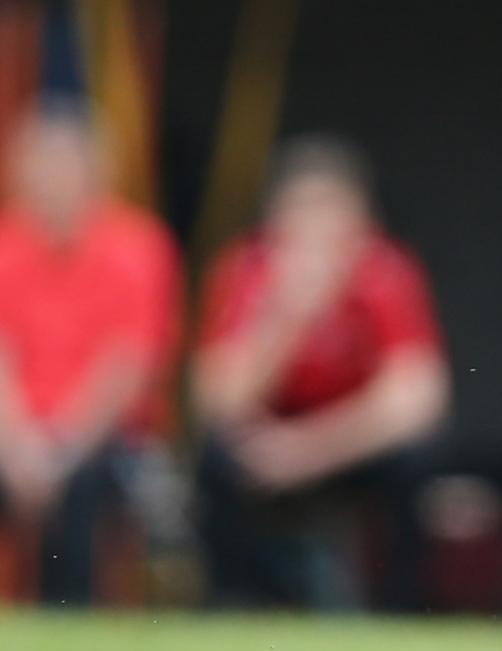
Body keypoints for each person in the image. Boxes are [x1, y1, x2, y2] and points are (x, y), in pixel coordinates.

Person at [194, 137, 449, 612]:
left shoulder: (386, 272)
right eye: (301, 213)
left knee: (415, 463)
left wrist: (308, 451)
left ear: (361, 219)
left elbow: (417, 400)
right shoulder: (246, 270)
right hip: (270, 438)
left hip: (348, 443)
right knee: (216, 459)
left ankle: (402, 612)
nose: (316, 231)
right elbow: (219, 400)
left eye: (330, 212)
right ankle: (232, 607)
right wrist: (285, 319)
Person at [0, 103, 180, 605]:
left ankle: (70, 616)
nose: (52, 181)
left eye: (65, 166)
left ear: (98, 172)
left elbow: (129, 365)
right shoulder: (6, 245)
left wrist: (60, 448)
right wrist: (18, 445)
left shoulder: (138, 246)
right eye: (41, 166)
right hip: (14, 435)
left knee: (87, 486)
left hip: (105, 437)